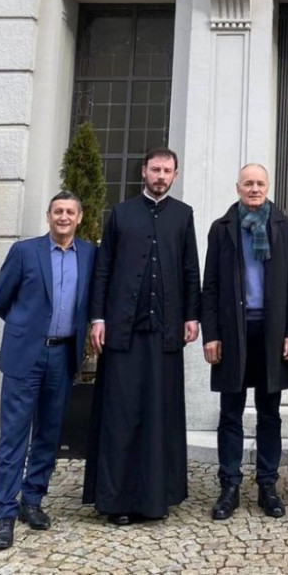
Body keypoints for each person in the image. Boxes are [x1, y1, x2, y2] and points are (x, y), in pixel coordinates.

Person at [83, 148, 201, 525]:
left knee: (158, 415)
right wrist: (98, 318)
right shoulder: (121, 214)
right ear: (144, 172)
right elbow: (103, 269)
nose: (161, 176)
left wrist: (192, 315)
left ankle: (154, 498)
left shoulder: (183, 215)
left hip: (164, 333)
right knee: (120, 415)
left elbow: (190, 269)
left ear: (175, 175)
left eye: (167, 170)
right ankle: (116, 501)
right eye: (155, 169)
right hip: (123, 332)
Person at [0, 191, 95, 550]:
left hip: (63, 356)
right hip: (25, 356)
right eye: (57, 211)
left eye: (70, 212)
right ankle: (5, 512)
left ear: (79, 218)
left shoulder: (89, 254)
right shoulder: (24, 252)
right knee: (14, 435)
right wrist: (25, 328)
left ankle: (32, 500)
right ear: (48, 216)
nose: (63, 217)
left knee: (49, 434)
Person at [201, 163, 288, 520]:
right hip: (233, 333)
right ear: (238, 188)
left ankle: (267, 485)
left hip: (271, 333)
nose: (254, 189)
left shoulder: (284, 226)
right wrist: (211, 334)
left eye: (259, 183)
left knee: (269, 413)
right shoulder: (222, 228)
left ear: (268, 186)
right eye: (248, 183)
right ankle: (229, 485)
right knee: (230, 413)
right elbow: (210, 285)